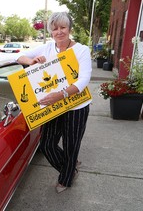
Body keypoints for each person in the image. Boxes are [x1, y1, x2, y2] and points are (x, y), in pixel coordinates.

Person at [16, 11, 92, 193]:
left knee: (71, 145)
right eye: (55, 28)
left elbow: (83, 79)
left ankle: (66, 179)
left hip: (76, 106)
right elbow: (18, 56)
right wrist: (32, 61)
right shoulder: (47, 48)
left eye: (63, 27)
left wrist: (62, 94)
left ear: (69, 29)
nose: (59, 32)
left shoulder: (81, 50)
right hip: (53, 106)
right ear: (50, 31)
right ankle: (70, 166)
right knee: (47, 145)